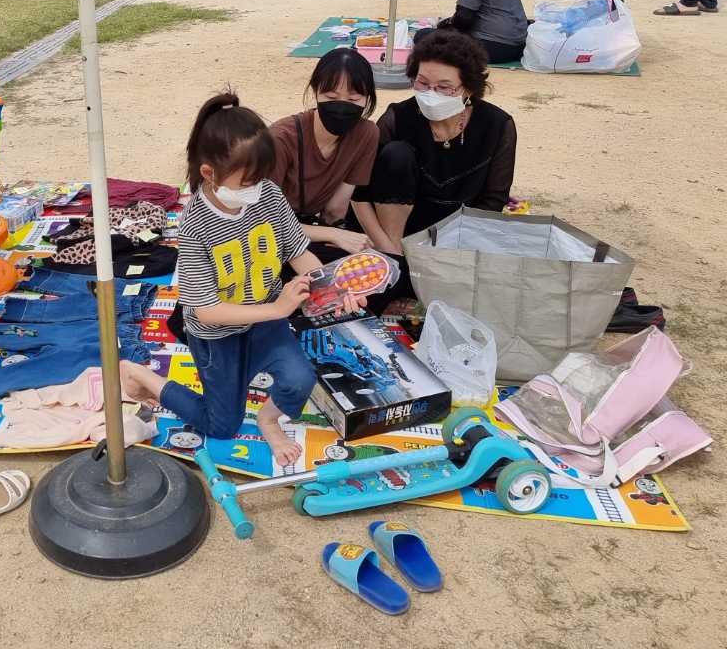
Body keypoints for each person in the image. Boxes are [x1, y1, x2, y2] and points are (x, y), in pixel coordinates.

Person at [117, 93, 362, 465]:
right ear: (209, 173)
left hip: (265, 318)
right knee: (221, 426)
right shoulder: (194, 225)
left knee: (300, 380)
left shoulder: (268, 195)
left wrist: (333, 287)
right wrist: (279, 308)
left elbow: (297, 251)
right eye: (248, 181)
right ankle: (138, 374)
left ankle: (268, 420)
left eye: (261, 178)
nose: (257, 188)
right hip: (217, 335)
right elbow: (207, 312)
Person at [353, 30, 517, 257]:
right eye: (422, 83)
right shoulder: (397, 118)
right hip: (397, 230)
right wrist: (391, 252)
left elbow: (493, 200)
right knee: (396, 154)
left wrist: (448, 252)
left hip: (461, 234)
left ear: (469, 88)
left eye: (444, 87)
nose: (431, 93)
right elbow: (359, 193)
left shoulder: (497, 125)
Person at [269, 49, 380, 267]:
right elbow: (261, 221)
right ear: (315, 91)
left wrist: (336, 240)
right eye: (331, 98)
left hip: (311, 233)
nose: (342, 107)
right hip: (268, 239)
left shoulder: (366, 134)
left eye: (353, 99)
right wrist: (333, 235)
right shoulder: (280, 140)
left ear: (367, 98)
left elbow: (335, 209)